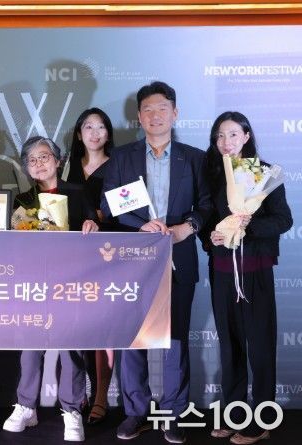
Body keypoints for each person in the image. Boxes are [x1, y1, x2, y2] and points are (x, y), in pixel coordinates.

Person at [100, 81, 212, 444]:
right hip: (133, 259)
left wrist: (186, 228)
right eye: (148, 109)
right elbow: (110, 204)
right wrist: (140, 225)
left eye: (162, 108)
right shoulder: (123, 157)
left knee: (174, 339)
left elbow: (207, 205)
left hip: (179, 256)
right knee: (133, 338)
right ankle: (136, 411)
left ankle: (174, 413)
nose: (155, 115)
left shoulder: (194, 158)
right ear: (138, 116)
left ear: (174, 113)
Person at [204, 112, 292, 445]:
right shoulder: (213, 175)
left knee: (260, 345)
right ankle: (235, 414)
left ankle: (263, 420)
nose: (225, 142)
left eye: (232, 134)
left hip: (255, 270)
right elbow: (206, 219)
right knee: (230, 346)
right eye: (219, 136)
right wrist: (212, 236)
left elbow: (283, 220)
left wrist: (249, 226)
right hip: (222, 271)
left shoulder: (263, 173)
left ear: (246, 136)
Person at [3, 136, 97, 442]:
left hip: (71, 282)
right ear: (27, 168)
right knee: (31, 346)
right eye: (32, 160)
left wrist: (92, 226)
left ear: (58, 160)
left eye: (44, 157)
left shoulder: (78, 192)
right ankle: (26, 406)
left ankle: (72, 409)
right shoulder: (22, 201)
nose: (39, 164)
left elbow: (94, 228)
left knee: (71, 348)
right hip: (34, 284)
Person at [66, 107, 115, 425]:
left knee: (105, 329)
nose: (94, 133)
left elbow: (130, 207)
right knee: (79, 327)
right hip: (73, 255)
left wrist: (97, 216)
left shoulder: (120, 164)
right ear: (79, 133)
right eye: (88, 127)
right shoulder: (67, 166)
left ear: (108, 133)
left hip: (108, 253)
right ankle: (80, 391)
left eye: (100, 127)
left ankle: (101, 396)